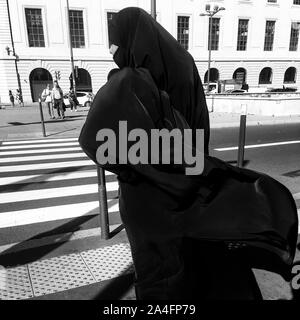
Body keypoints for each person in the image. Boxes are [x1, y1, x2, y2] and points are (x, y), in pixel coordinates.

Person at [79, 7, 298, 300]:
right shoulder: (183, 64)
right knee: (193, 265)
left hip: (149, 200)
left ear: (128, 38)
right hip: (191, 185)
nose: (111, 49)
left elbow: (94, 140)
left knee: (159, 277)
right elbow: (197, 130)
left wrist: (135, 166)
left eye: (114, 41)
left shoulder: (130, 80)